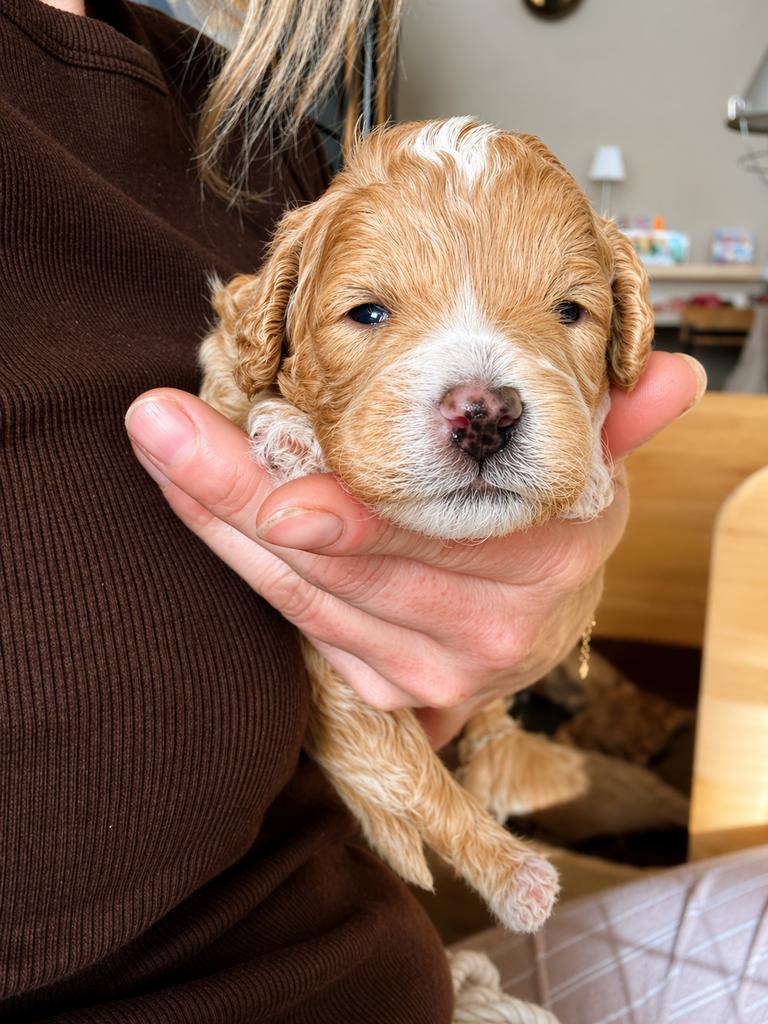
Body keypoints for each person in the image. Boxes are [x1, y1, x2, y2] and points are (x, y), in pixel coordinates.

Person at [0, 0, 707, 1020]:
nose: (482, 404)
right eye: (369, 311)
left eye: (566, 308)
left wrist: (528, 613)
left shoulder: (256, 120)